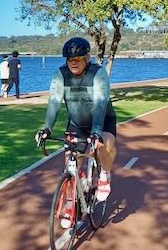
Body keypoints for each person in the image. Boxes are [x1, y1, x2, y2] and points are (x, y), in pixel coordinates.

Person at [34, 37, 118, 228]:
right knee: (70, 164)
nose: (73, 62)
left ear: (87, 58)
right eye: (70, 59)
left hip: (102, 119)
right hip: (77, 123)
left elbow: (100, 102)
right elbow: (54, 102)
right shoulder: (60, 74)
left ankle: (104, 174)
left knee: (104, 144)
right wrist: (47, 127)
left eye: (78, 59)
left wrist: (96, 131)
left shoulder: (98, 73)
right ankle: (71, 205)